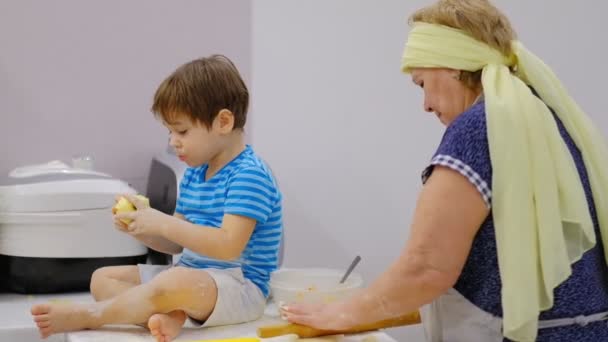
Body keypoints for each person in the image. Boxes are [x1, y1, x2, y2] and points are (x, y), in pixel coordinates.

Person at [282, 1, 608, 341]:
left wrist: (344, 311)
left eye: (422, 83)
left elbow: (427, 267)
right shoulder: (547, 121)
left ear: (454, 67)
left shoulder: (479, 129)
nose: (425, 105)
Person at [31, 55, 284, 342]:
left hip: (240, 286)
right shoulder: (195, 173)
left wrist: (162, 223)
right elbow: (176, 242)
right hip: (190, 276)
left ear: (223, 122)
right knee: (103, 278)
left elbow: (227, 246)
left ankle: (92, 316)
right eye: (170, 131)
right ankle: (169, 314)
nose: (173, 141)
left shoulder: (249, 175)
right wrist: (145, 228)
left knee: (172, 282)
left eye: (182, 131)